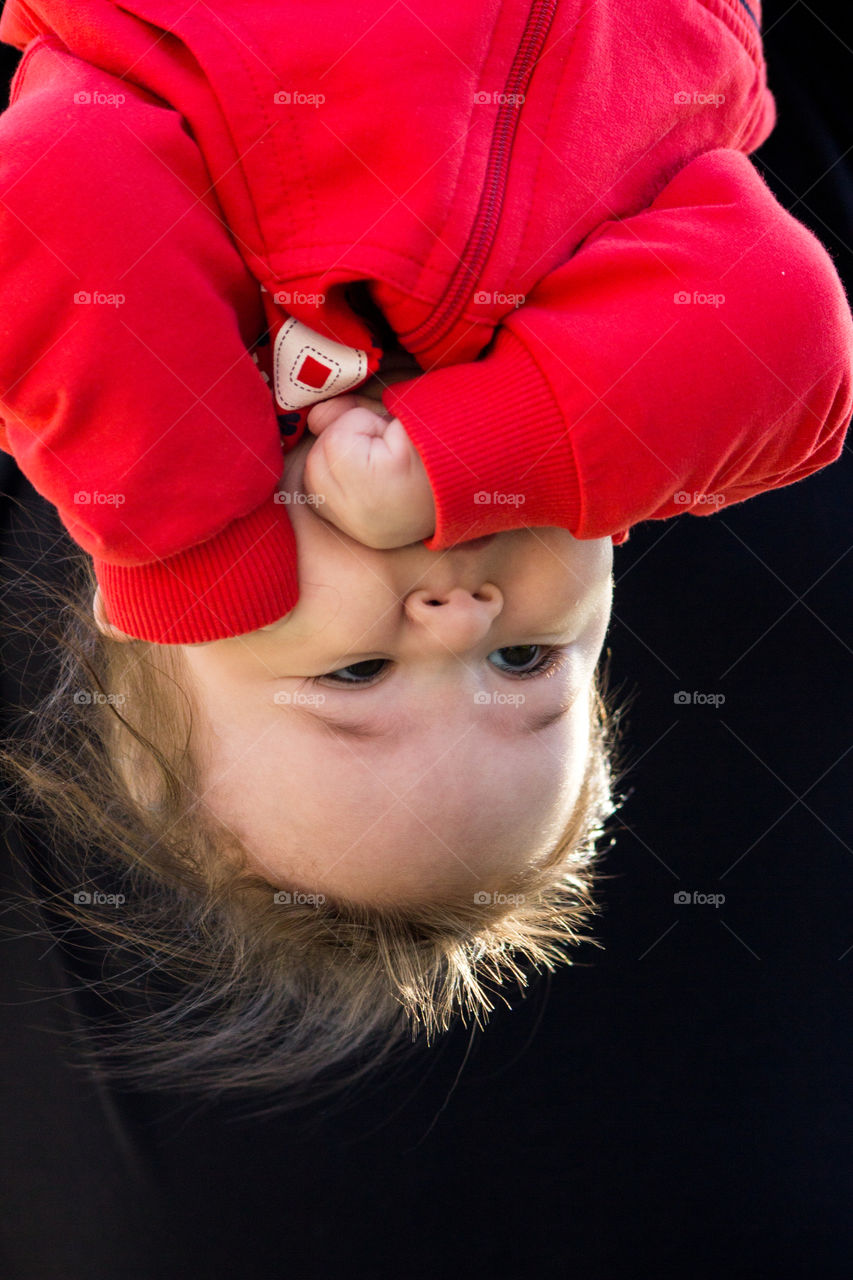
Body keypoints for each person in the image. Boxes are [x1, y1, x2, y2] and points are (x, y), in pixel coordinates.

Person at [0, 0, 850, 1101]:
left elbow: (54, 186)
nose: (463, 618)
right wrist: (492, 443)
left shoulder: (180, 313)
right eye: (527, 663)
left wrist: (186, 535)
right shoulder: (617, 369)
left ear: (163, 625)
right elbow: (795, 345)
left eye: (358, 674)